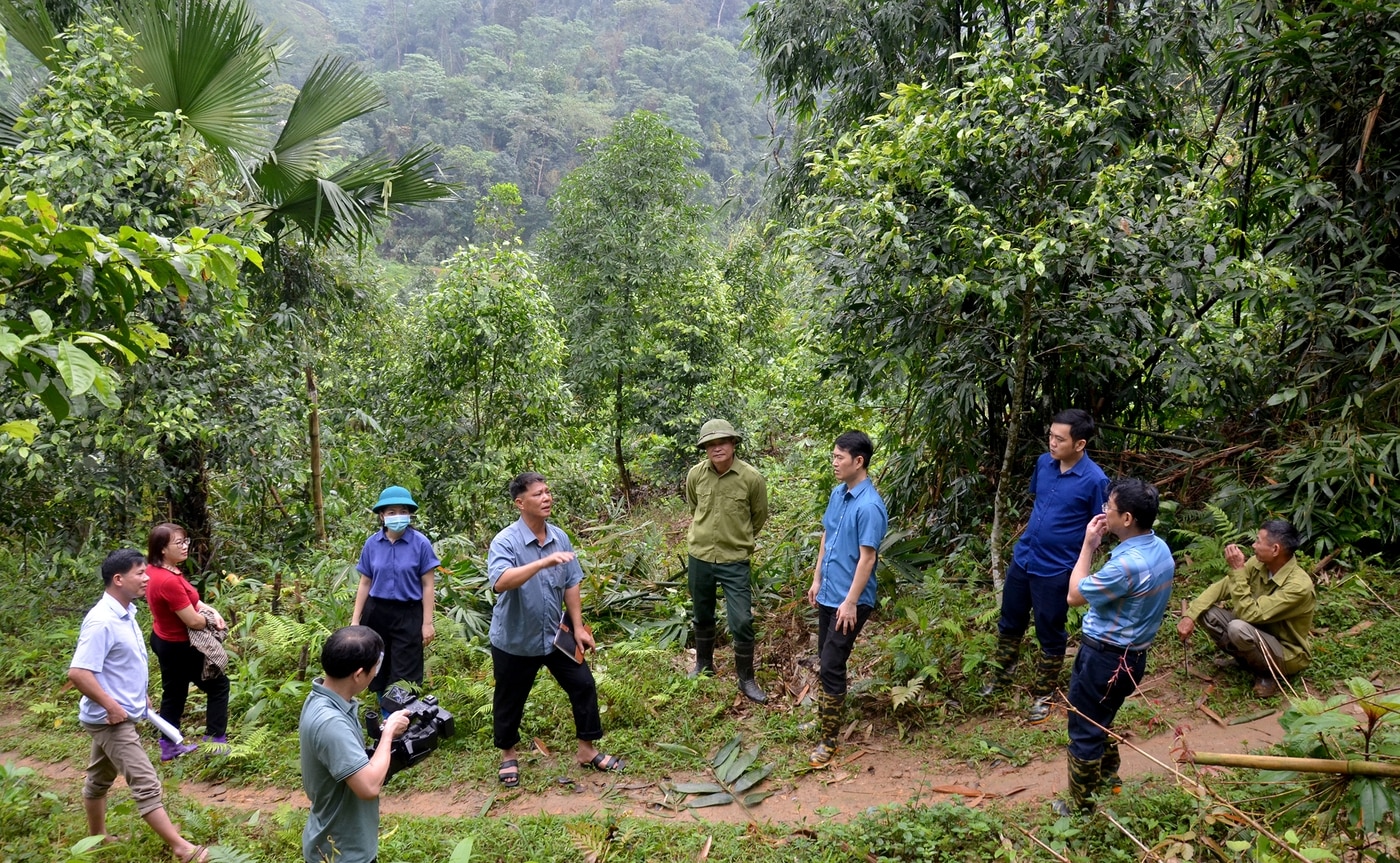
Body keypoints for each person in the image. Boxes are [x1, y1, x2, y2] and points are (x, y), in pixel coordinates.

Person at [68, 549, 210, 863]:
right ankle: (181, 848)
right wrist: (111, 705)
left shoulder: (126, 611)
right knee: (146, 782)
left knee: (98, 779)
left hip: (121, 711)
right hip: (110, 720)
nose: (147, 579)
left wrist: (137, 694)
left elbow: (120, 665)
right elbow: (79, 672)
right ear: (118, 579)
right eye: (139, 573)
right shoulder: (102, 621)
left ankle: (98, 836)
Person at [487, 472, 623, 787]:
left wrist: (578, 627)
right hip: (515, 639)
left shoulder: (559, 537)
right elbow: (500, 582)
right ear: (520, 503)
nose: (546, 498)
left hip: (554, 636)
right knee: (510, 699)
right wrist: (540, 564)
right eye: (538, 494)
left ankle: (587, 751)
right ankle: (508, 755)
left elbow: (571, 581)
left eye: (548, 492)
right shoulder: (505, 541)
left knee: (583, 684)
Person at [982, 408, 1110, 723]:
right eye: (1050, 435)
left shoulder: (1095, 480)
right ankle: (1002, 674)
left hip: (1057, 567)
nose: (1052, 442)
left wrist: (1081, 564)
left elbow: (1098, 531)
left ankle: (1044, 691)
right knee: (1009, 620)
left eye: (1059, 438)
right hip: (1025, 556)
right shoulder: (1044, 464)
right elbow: (1039, 503)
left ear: (1080, 444)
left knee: (1049, 630)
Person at [1057, 478, 1175, 815]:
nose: (1103, 511)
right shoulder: (1159, 550)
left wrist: (1088, 545)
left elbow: (1074, 595)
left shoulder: (1126, 566)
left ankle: (1079, 809)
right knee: (1101, 718)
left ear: (1126, 519)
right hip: (1133, 656)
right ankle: (1109, 780)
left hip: (1104, 658)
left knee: (1083, 728)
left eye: (1109, 507)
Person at [805, 431, 888, 768]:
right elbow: (827, 534)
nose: (834, 463)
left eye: (840, 457)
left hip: (850, 601)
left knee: (833, 662)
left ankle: (828, 739)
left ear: (859, 461)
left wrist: (851, 602)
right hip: (828, 593)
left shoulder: (870, 506)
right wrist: (816, 577)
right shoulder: (838, 494)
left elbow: (868, 559)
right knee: (825, 659)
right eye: (833, 456)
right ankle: (827, 716)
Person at [300, 626, 411, 863]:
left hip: (340, 838)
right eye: (376, 667)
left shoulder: (324, 698)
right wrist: (388, 732)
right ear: (359, 674)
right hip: (341, 851)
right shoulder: (331, 722)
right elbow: (368, 787)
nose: (376, 673)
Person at [684, 418, 771, 702]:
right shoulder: (696, 475)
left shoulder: (751, 478)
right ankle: (703, 665)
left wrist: (738, 538)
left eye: (721, 442)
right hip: (700, 556)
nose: (716, 448)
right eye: (710, 444)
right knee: (702, 613)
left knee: (741, 620)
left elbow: (758, 516)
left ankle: (746, 679)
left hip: (734, 560)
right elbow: (694, 507)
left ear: (733, 443)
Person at [1178, 519, 1313, 698]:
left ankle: (1266, 675)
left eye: (1258, 541)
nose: (1253, 545)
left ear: (1275, 550)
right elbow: (1221, 588)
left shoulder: (1298, 586)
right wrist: (1190, 616)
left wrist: (1238, 570)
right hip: (1256, 633)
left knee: (1237, 628)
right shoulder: (1258, 564)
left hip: (1286, 652)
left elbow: (1250, 614)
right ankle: (1246, 661)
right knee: (1207, 614)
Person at [145, 522, 229, 761]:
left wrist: (209, 609)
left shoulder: (155, 571)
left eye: (186, 541)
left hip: (162, 639)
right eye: (178, 543)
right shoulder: (168, 580)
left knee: (174, 692)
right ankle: (215, 742)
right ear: (162, 548)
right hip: (182, 645)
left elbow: (190, 601)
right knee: (218, 685)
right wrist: (209, 622)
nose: (185, 547)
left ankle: (168, 745)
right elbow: (192, 621)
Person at [351, 485, 441, 702]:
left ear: (410, 514)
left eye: (403, 511)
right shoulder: (372, 544)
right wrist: (355, 621)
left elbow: (428, 585)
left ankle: (400, 723)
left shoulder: (420, 543)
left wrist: (427, 623)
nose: (398, 516)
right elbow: (365, 583)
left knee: (405, 671)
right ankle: (385, 719)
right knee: (377, 666)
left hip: (408, 614)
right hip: (376, 612)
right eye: (391, 512)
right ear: (382, 516)